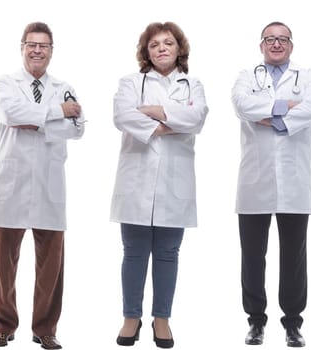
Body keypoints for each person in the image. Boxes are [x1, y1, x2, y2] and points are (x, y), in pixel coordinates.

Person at [0, 22, 84, 350]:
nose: (37, 50)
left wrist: (38, 121)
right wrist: (56, 113)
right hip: (11, 184)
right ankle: (2, 326)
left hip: (49, 183)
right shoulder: (5, 83)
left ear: (52, 51)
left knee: (51, 264)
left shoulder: (64, 85)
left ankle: (45, 329)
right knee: (3, 261)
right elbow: (11, 113)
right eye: (31, 44)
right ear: (22, 48)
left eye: (43, 45)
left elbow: (78, 127)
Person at [111, 21, 207, 349]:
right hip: (136, 179)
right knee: (134, 252)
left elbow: (198, 118)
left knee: (168, 252)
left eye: (168, 43)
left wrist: (154, 112)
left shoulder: (192, 84)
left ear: (179, 48)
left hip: (175, 181)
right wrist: (170, 123)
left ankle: (162, 318)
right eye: (154, 45)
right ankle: (131, 317)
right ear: (146, 52)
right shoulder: (130, 82)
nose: (162, 48)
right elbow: (122, 116)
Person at [231, 21, 311, 348]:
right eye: (270, 39)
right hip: (254, 182)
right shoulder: (247, 76)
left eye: (282, 39)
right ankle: (256, 321)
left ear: (291, 45)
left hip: (294, 182)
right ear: (261, 45)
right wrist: (289, 109)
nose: (276, 44)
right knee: (253, 257)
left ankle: (293, 323)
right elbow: (242, 105)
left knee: (294, 258)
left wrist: (270, 116)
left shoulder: (308, 75)